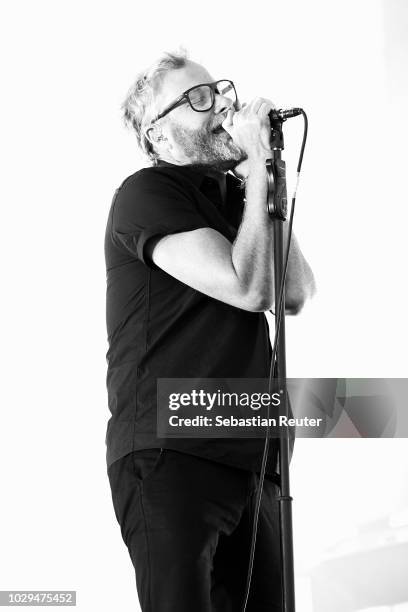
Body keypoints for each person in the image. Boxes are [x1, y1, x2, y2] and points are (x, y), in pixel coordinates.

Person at [105, 50, 315, 612]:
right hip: (172, 451)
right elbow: (248, 287)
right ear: (158, 137)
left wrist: (268, 179)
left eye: (218, 92)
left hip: (253, 456)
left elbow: (291, 294)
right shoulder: (147, 194)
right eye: (196, 99)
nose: (220, 106)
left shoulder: (238, 200)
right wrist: (255, 181)